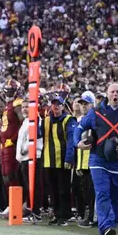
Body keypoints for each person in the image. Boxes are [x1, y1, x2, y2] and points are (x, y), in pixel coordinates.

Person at [74, 83, 118, 235]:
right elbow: (79, 128)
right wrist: (77, 143)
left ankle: (111, 224)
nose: (115, 94)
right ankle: (105, 227)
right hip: (98, 159)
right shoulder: (96, 112)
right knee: (102, 193)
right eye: (112, 91)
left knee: (117, 197)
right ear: (107, 94)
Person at [44, 95, 77, 226]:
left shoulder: (68, 120)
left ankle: (65, 215)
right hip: (49, 160)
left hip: (63, 160)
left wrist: (69, 158)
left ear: (63, 106)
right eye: (53, 104)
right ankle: (57, 214)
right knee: (52, 189)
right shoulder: (46, 120)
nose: (55, 106)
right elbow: (39, 135)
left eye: (58, 104)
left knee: (63, 189)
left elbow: (71, 140)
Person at [75, 91, 96, 228]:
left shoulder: (94, 118)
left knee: (93, 191)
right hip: (84, 162)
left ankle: (93, 217)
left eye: (86, 103)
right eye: (81, 103)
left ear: (92, 104)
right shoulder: (83, 120)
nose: (83, 106)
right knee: (87, 191)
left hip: (94, 161)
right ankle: (90, 216)